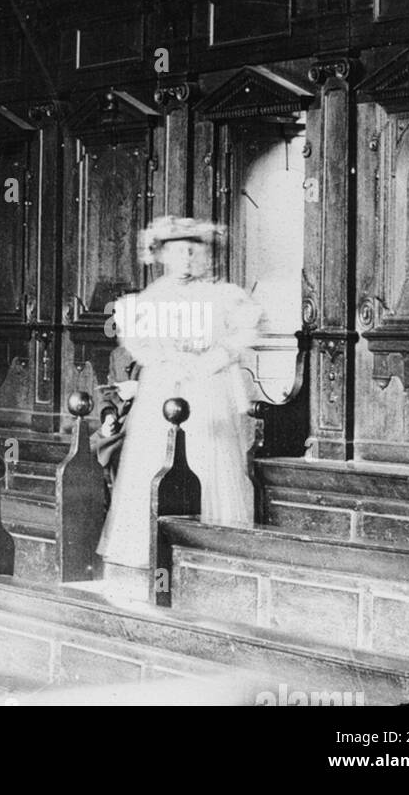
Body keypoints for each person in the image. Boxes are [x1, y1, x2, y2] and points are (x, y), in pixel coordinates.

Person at [96, 216, 262, 572]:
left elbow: (236, 340)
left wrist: (208, 361)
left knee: (208, 453)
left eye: (193, 251)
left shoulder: (221, 296)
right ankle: (150, 544)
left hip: (207, 387)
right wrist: (170, 362)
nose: (187, 259)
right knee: (154, 455)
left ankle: (209, 546)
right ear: (163, 255)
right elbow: (144, 346)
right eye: (178, 252)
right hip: (165, 388)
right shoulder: (151, 299)